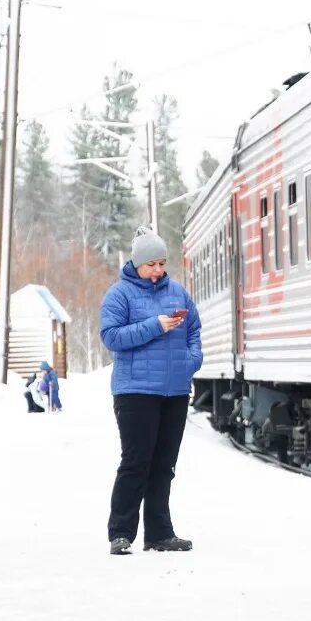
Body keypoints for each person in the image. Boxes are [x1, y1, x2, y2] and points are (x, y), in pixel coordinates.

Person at [99, 226, 202, 556]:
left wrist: (191, 361)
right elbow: (111, 337)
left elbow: (195, 330)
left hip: (174, 392)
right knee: (136, 462)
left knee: (164, 465)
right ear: (137, 264)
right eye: (152, 264)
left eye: (162, 263)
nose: (158, 269)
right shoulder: (120, 295)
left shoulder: (178, 292)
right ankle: (121, 533)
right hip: (135, 391)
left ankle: (160, 533)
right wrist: (155, 325)